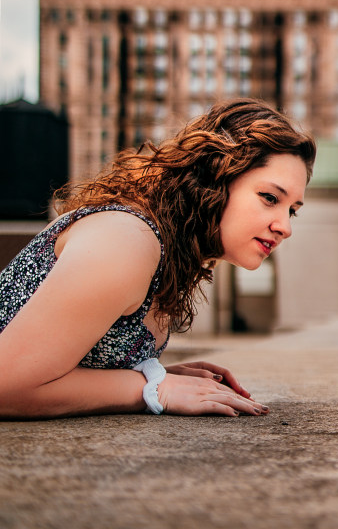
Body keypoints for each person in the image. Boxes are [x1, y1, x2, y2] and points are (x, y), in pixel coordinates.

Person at [0, 98, 315, 419]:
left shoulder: (169, 249)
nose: (285, 227)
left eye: (291, 211)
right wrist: (151, 388)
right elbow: (5, 385)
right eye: (270, 198)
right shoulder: (126, 240)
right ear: (215, 177)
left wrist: (157, 374)